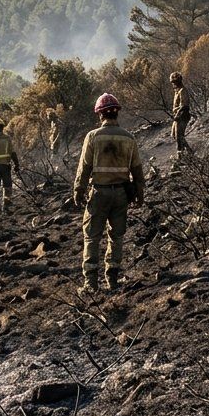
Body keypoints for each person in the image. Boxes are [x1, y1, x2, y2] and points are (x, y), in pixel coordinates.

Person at [73, 93, 144, 293]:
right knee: (117, 237)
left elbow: (84, 168)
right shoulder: (128, 138)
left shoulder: (93, 137)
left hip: (99, 194)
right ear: (116, 112)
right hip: (121, 194)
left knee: (91, 237)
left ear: (100, 114)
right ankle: (112, 279)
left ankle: (91, 284)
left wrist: (78, 190)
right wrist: (140, 194)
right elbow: (137, 169)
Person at [170, 72, 191, 156]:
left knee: (179, 136)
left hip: (183, 116)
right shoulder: (177, 91)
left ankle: (181, 156)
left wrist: (177, 115)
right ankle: (189, 151)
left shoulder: (183, 91)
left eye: (174, 82)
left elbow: (184, 105)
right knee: (174, 135)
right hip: (178, 116)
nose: (173, 84)